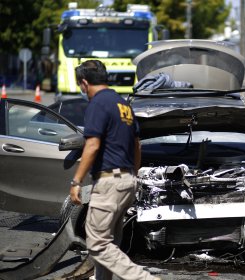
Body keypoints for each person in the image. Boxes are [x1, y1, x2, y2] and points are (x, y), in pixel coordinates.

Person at [69, 60, 159, 280]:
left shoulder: (98, 103)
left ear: (84, 83)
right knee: (109, 246)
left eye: (81, 86)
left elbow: (92, 144)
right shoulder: (123, 104)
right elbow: (137, 145)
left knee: (98, 244)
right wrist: (133, 176)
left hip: (110, 183)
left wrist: (76, 182)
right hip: (126, 180)